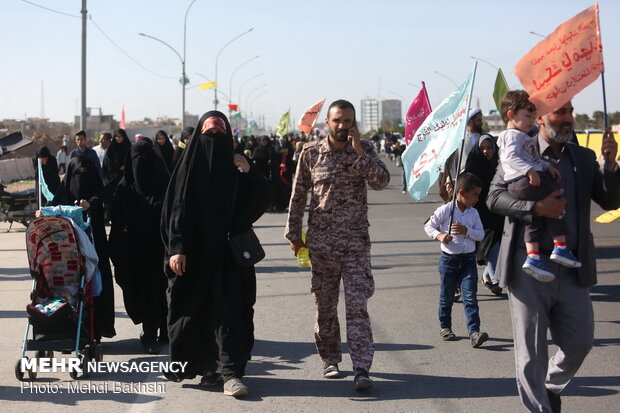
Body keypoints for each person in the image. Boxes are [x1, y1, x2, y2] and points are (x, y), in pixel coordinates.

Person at [487, 100, 620, 413]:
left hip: (571, 265)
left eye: (571, 112)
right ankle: (540, 408)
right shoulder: (518, 149)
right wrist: (535, 209)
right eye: (562, 112)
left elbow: (611, 200)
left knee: (580, 342)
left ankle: (549, 387)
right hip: (528, 267)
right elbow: (494, 197)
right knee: (532, 353)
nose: (568, 119)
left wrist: (611, 164)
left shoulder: (584, 158)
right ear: (541, 116)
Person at [161, 111, 272, 398]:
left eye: (219, 135)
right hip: (194, 255)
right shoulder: (187, 169)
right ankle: (207, 368)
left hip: (229, 254)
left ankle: (231, 374)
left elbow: (262, 198)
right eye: (208, 135)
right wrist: (176, 247)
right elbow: (175, 210)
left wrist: (249, 172)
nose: (214, 141)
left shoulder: (237, 166)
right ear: (199, 136)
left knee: (230, 312)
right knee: (195, 312)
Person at [285, 99, 390, 391]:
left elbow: (381, 181)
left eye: (348, 121)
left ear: (354, 123)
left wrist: (359, 152)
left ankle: (361, 367)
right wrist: (295, 235)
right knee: (325, 307)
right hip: (321, 245)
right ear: (327, 123)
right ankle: (330, 359)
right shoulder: (311, 153)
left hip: (356, 244)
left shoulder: (365, 150)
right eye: (337, 121)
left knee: (358, 306)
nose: (343, 126)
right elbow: (298, 197)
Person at [497, 90, 578, 283]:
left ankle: (532, 257)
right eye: (528, 116)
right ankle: (560, 246)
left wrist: (546, 166)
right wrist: (530, 171)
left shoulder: (523, 136)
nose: (531, 121)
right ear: (511, 115)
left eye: (532, 116)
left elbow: (534, 159)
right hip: (521, 182)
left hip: (524, 182)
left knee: (535, 219)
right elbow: (510, 158)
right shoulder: (513, 136)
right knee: (555, 201)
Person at [110, 138, 170, 353]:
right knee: (144, 289)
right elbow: (114, 215)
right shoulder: (124, 187)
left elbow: (173, 214)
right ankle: (150, 332)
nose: (140, 164)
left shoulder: (164, 183)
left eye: (144, 159)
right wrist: (122, 225)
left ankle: (166, 330)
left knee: (163, 290)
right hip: (135, 251)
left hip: (160, 249)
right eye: (136, 159)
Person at [52, 156, 116, 340]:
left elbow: (100, 195)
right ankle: (66, 331)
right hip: (68, 249)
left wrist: (91, 205)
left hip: (94, 243)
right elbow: (54, 206)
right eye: (77, 174)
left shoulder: (96, 196)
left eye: (85, 174)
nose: (81, 178)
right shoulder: (64, 193)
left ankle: (95, 330)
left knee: (95, 284)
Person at [424, 172, 489, 347]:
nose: (477, 199)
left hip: (468, 260)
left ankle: (474, 332)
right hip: (449, 261)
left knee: (470, 297)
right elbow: (429, 225)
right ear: (461, 192)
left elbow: (481, 234)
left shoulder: (473, 213)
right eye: (474, 194)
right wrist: (440, 236)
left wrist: (466, 230)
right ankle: (445, 326)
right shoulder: (446, 210)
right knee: (446, 296)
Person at [465, 134, 504, 295]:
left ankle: (488, 276)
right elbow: (465, 185)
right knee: (489, 243)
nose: (486, 151)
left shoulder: (501, 165)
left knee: (497, 243)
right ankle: (495, 278)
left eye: (489, 148)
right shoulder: (473, 166)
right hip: (478, 213)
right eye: (482, 148)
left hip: (498, 211)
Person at [102, 128, 132, 223]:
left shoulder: (128, 147)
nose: (118, 139)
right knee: (110, 198)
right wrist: (118, 167)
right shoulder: (111, 148)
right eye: (116, 137)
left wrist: (125, 166)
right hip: (112, 178)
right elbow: (108, 163)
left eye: (120, 136)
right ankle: (108, 217)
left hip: (124, 177)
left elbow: (131, 161)